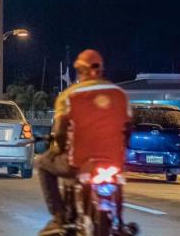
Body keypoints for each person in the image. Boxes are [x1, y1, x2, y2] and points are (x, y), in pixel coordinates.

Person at [36, 49, 131, 235]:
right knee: (118, 178)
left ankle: (59, 216)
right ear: (101, 70)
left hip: (79, 162)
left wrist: (58, 148)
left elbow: (61, 131)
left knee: (42, 163)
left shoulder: (70, 95)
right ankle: (119, 221)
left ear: (80, 71)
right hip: (113, 162)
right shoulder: (120, 94)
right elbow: (128, 128)